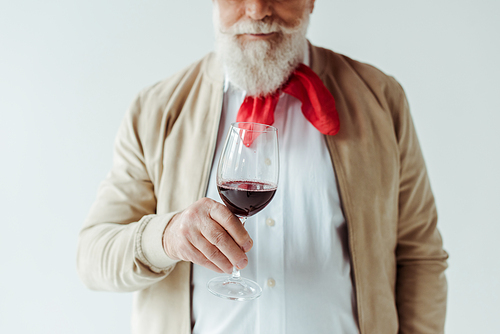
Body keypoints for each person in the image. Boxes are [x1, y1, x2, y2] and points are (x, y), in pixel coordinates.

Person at [77, 0, 448, 333]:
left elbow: (419, 254)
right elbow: (92, 256)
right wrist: (167, 236)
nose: (257, 10)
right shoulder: (155, 110)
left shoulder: (381, 99)